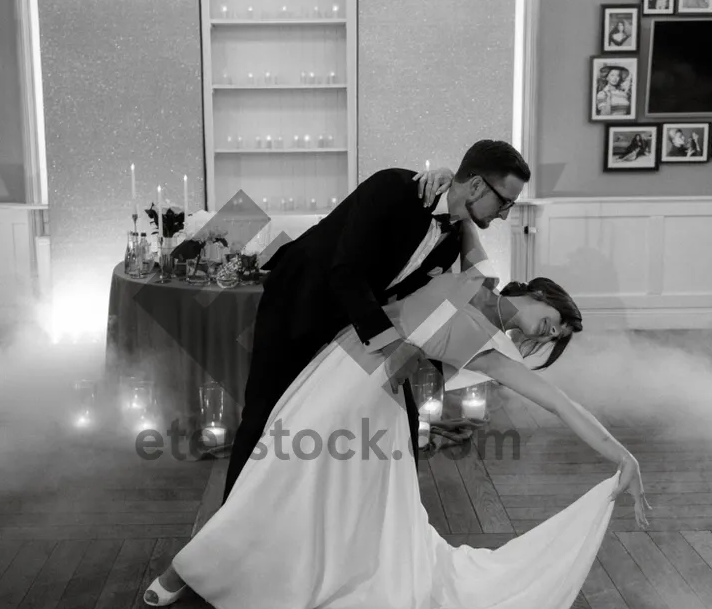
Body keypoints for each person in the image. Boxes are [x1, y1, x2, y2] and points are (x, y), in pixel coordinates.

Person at [143, 266, 650, 609]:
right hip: (335, 371)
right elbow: (444, 221)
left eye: (556, 336)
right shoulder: (466, 273)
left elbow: (557, 402)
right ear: (540, 292)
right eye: (555, 319)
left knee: (307, 496)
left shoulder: (489, 347)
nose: (550, 332)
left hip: (372, 410)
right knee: (273, 479)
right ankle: (196, 567)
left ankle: (200, 567)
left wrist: (620, 454)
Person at [219, 140, 529, 502]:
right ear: (476, 186)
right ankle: (228, 522)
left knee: (406, 419)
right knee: (263, 414)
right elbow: (346, 272)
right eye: (505, 201)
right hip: (297, 306)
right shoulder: (392, 188)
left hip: (358, 327)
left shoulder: (451, 240)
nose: (506, 214)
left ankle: (392, 524)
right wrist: (392, 344)